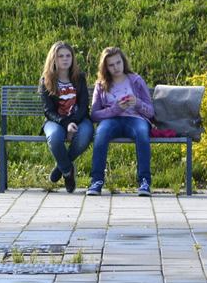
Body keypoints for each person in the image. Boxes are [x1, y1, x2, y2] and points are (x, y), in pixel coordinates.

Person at [86, 47, 154, 197]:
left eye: (118, 62)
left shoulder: (136, 80)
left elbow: (150, 111)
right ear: (105, 67)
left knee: (142, 132)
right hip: (111, 120)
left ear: (123, 62)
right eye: (111, 65)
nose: (116, 67)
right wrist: (115, 109)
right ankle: (96, 181)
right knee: (101, 133)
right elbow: (94, 115)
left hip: (135, 119)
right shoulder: (101, 84)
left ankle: (144, 181)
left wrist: (137, 103)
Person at [39, 41, 93, 193]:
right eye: (60, 56)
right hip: (55, 120)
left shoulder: (79, 78)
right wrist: (66, 124)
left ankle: (61, 167)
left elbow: (84, 106)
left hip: (79, 119)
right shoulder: (46, 80)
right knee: (55, 138)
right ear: (53, 59)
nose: (65, 59)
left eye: (68, 55)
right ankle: (68, 172)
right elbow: (48, 111)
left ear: (72, 58)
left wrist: (73, 122)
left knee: (84, 136)